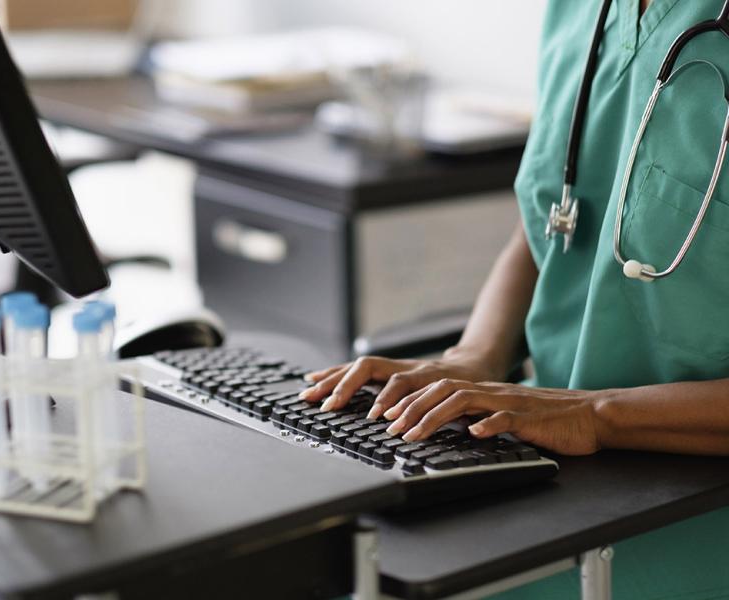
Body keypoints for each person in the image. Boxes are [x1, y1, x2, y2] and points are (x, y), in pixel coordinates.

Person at [302, 0, 729, 598]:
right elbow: (561, 212)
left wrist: (595, 414)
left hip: (687, 510)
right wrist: (473, 355)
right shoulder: (581, 12)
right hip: (547, 462)